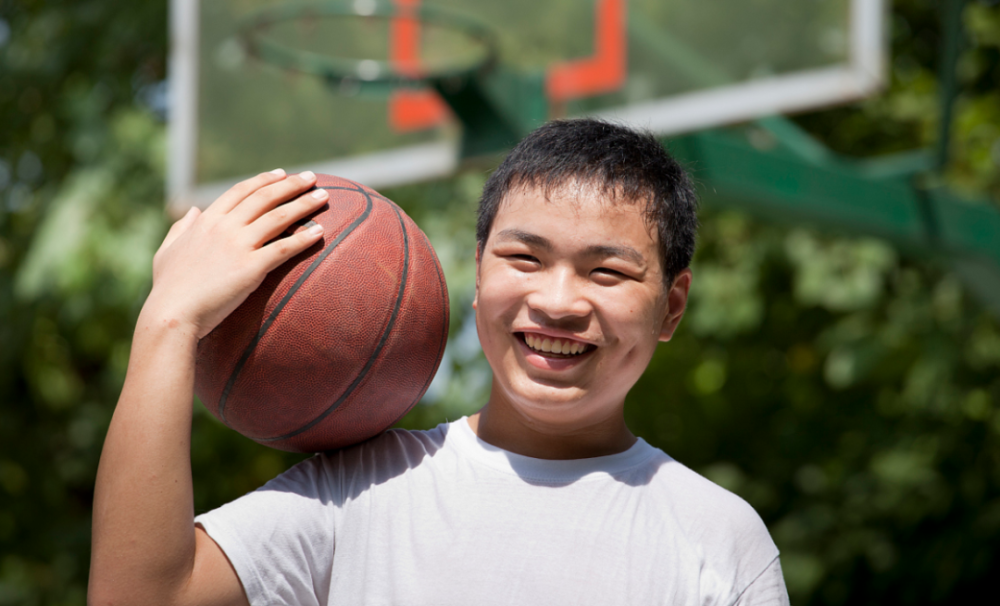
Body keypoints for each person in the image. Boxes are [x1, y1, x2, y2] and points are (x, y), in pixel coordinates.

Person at [90, 119, 789, 605]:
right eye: (524, 258)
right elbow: (138, 597)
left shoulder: (716, 534)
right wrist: (169, 322)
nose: (559, 301)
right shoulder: (361, 490)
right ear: (478, 276)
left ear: (671, 307)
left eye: (606, 273)